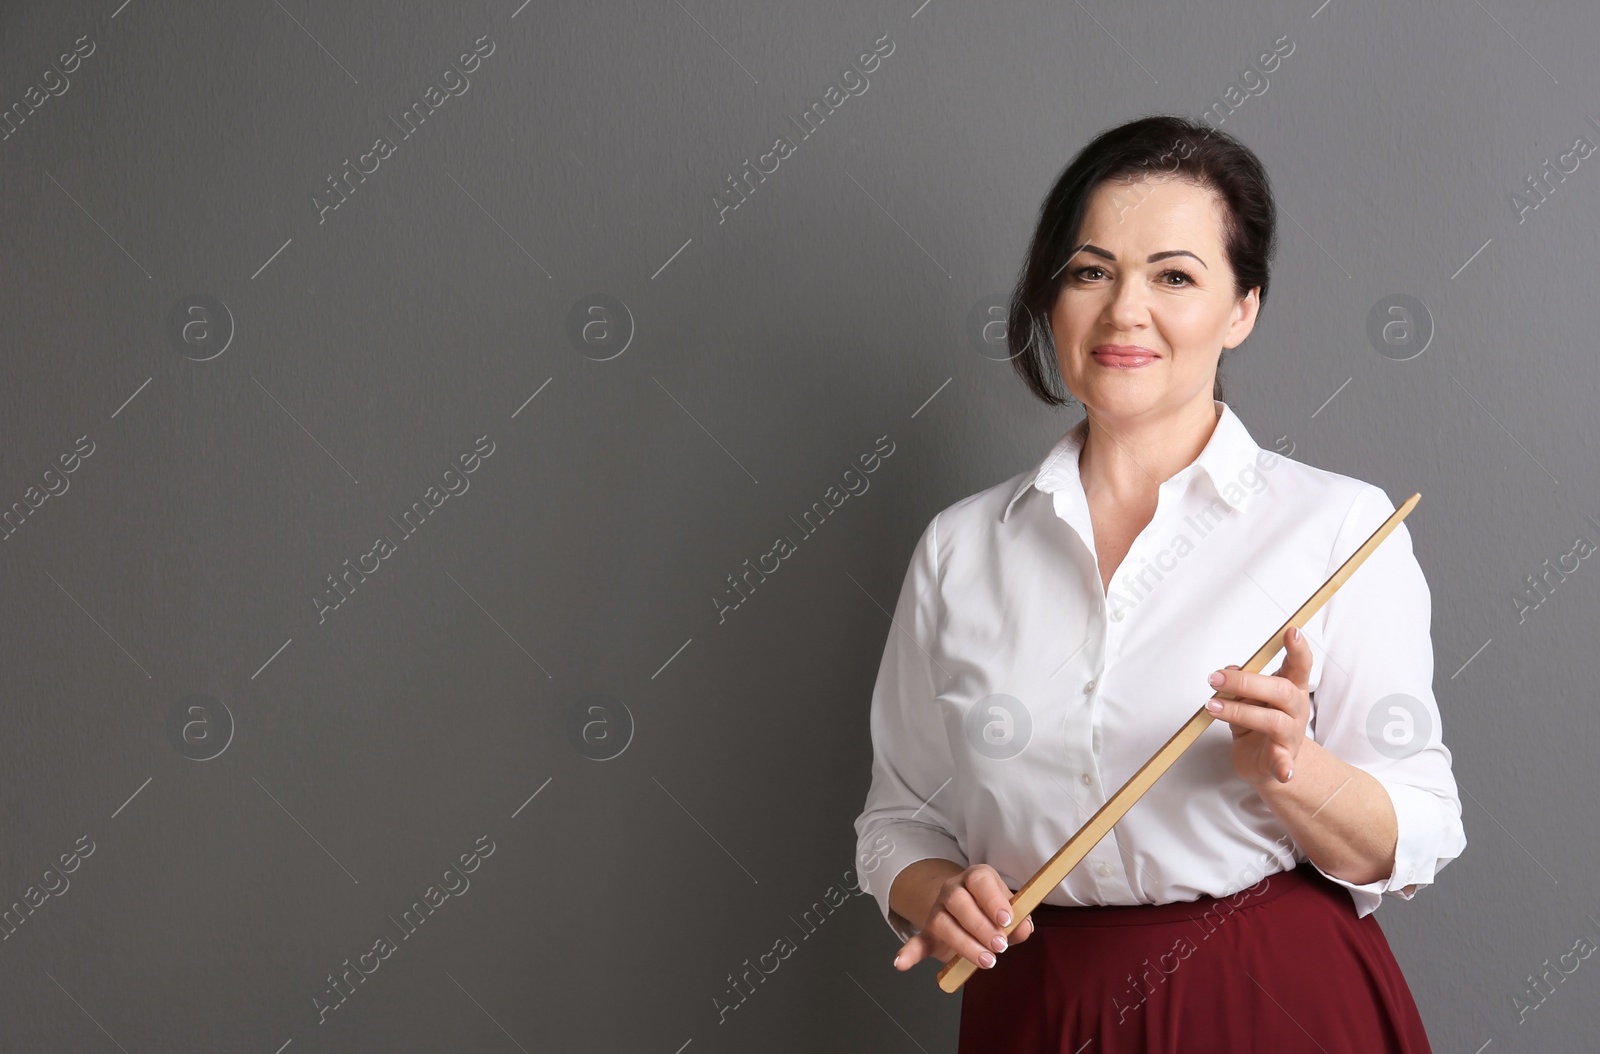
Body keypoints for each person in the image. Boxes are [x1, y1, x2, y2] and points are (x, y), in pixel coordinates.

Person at [852, 114, 1467, 1053]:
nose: (1123, 310)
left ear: (1242, 309)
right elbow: (898, 819)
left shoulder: (1341, 527)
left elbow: (1419, 831)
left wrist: (1293, 773)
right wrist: (937, 893)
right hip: (1037, 1010)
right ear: (1050, 295)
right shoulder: (959, 549)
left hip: (1271, 1002)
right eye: (1090, 271)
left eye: (1174, 276)